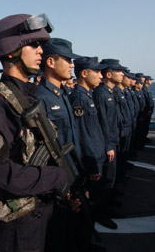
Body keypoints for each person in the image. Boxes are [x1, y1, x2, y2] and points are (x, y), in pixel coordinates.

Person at [0, 13, 69, 252]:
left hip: (37, 210)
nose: (40, 51)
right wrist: (55, 178)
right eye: (33, 44)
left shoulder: (28, 96)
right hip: (16, 223)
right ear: (11, 51)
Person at [35, 38, 90, 252]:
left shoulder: (62, 94)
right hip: (59, 184)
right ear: (50, 62)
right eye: (67, 60)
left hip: (74, 176)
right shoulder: (40, 99)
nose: (72, 65)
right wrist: (60, 191)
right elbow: (43, 152)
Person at [69, 56, 109, 252]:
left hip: (96, 157)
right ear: (84, 73)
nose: (101, 76)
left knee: (92, 203)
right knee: (86, 205)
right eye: (97, 72)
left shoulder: (87, 95)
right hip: (89, 161)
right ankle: (83, 243)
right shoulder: (79, 97)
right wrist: (92, 166)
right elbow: (84, 134)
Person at [92, 58, 126, 229]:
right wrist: (108, 146)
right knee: (105, 182)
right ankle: (101, 213)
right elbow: (102, 123)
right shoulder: (101, 93)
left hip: (113, 140)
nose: (122, 74)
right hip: (108, 144)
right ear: (109, 73)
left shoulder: (110, 92)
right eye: (118, 70)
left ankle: (108, 208)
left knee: (110, 180)